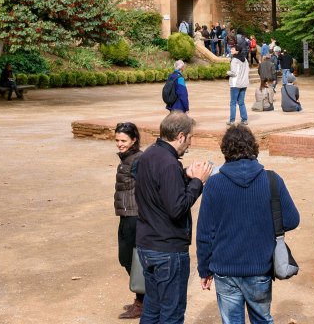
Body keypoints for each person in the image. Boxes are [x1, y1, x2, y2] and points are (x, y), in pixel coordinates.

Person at [196, 125, 299, 324]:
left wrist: (204, 269)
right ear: (254, 147)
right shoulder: (272, 180)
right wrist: (266, 224)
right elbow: (292, 219)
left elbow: (204, 233)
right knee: (262, 320)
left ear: (225, 150)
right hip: (259, 266)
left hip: (225, 268)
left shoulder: (214, 184)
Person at [135, 112, 213, 324]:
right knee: (171, 313)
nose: (190, 143)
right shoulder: (169, 164)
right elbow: (177, 209)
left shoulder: (150, 154)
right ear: (180, 136)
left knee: (152, 308)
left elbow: (160, 191)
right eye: (189, 138)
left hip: (148, 245)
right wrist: (197, 182)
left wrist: (184, 174)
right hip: (167, 250)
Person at [114, 123, 146, 318]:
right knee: (126, 259)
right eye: (117, 140)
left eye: (123, 140)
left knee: (134, 261)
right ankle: (142, 299)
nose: (119, 144)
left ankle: (143, 302)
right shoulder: (127, 159)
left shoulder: (138, 160)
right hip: (126, 215)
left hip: (135, 216)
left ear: (134, 140)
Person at [228, 47, 250, 126]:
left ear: (237, 51)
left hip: (235, 84)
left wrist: (227, 72)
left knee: (233, 103)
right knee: (241, 102)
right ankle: (244, 120)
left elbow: (233, 72)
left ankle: (232, 121)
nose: (231, 50)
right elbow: (248, 70)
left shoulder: (234, 60)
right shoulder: (245, 59)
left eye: (233, 49)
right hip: (244, 83)